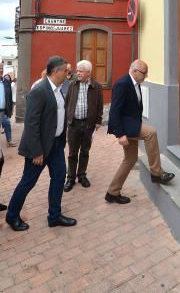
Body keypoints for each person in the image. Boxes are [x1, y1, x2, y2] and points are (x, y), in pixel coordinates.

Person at [6, 56, 77, 231]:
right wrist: (37, 151)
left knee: (59, 177)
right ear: (55, 72)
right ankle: (12, 216)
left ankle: (54, 216)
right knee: (28, 182)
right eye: (65, 71)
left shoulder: (59, 90)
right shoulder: (40, 90)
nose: (68, 74)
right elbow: (31, 124)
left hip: (56, 145)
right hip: (39, 148)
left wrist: (61, 140)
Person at [105, 59, 175, 204]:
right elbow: (114, 111)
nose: (146, 76)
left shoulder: (135, 83)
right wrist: (120, 134)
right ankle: (156, 173)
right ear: (134, 71)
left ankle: (112, 192)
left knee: (130, 159)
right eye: (144, 73)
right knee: (151, 132)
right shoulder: (122, 84)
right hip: (126, 126)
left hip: (132, 124)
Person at [64, 60, 103, 192]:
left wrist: (98, 121)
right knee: (72, 153)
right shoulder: (72, 85)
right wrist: (67, 119)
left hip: (88, 124)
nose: (77, 73)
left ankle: (81, 175)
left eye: (80, 71)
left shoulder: (96, 87)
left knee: (85, 151)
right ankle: (70, 178)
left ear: (88, 73)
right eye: (78, 70)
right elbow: (66, 102)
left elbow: (99, 106)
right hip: (74, 124)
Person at [0, 63, 13, 211]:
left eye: (2, 69)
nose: (1, 71)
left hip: (3, 112)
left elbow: (8, 96)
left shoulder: (5, 82)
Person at [1, 74, 16, 147]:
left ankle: (9, 141)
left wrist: (10, 109)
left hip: (3, 109)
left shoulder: (6, 83)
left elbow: (9, 96)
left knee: (7, 123)